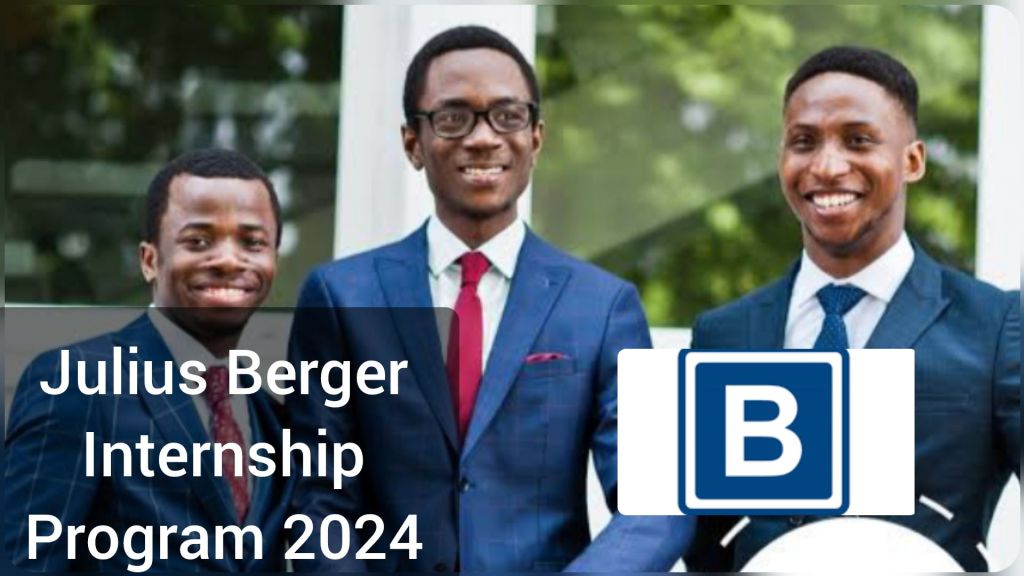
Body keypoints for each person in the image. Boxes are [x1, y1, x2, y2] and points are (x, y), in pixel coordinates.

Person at [287, 25, 693, 572]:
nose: (483, 137)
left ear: (536, 137)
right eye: (454, 117)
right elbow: (317, 502)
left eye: (507, 115)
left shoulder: (603, 307)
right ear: (413, 143)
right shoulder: (340, 297)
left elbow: (654, 505)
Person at [684, 46, 1020, 572]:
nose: (827, 165)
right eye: (803, 142)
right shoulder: (724, 334)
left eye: (858, 140)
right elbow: (708, 544)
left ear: (912, 160)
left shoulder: (996, 326)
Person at [4, 149, 293, 571]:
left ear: (273, 261)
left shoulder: (273, 416)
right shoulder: (77, 383)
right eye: (198, 240)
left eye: (252, 242)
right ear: (149, 260)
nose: (230, 260)